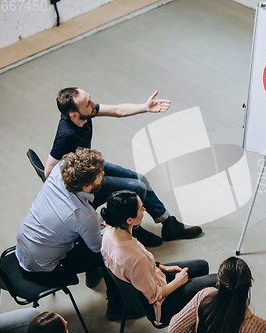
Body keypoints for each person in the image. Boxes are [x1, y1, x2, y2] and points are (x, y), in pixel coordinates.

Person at [44, 87, 202, 247]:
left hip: (92, 166)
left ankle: (168, 223)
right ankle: (134, 230)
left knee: (140, 178)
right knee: (137, 187)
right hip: (85, 179)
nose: (93, 104)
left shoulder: (85, 113)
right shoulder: (66, 135)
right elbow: (48, 172)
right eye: (88, 103)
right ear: (73, 115)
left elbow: (117, 110)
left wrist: (145, 107)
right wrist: (82, 187)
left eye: (90, 99)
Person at [15, 148, 129, 319]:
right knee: (107, 255)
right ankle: (116, 306)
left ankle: (93, 274)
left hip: (23, 248)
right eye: (100, 174)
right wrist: (110, 229)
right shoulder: (83, 214)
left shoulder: (58, 170)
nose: (103, 174)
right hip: (42, 268)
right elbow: (98, 247)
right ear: (86, 186)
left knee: (81, 234)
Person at [100, 190, 217, 325]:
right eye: (140, 208)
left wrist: (161, 267)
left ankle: (197, 309)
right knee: (219, 281)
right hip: (161, 305)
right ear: (129, 219)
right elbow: (154, 296)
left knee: (202, 265)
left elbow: (137, 271)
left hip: (152, 278)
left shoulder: (108, 233)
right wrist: (177, 281)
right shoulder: (135, 258)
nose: (144, 209)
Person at [168, 257, 266, 333]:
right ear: (250, 284)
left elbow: (174, 329)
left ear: (218, 282)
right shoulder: (259, 327)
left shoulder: (205, 296)